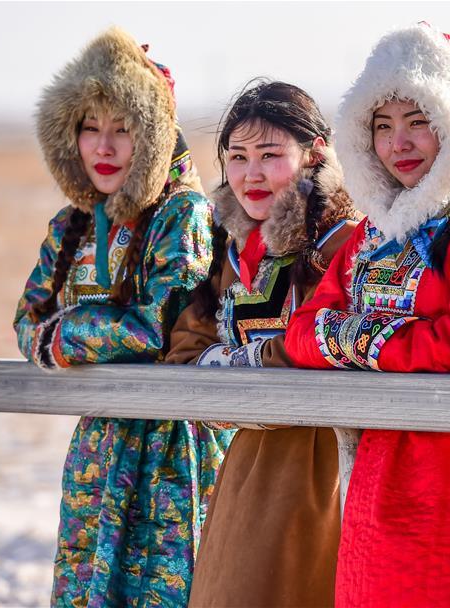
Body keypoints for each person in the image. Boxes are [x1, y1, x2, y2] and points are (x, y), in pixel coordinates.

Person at [285, 23, 450, 608]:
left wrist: (360, 341)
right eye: (382, 127)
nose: (399, 143)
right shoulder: (372, 234)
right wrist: (375, 341)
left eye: (418, 122)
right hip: (374, 467)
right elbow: (302, 331)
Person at [13, 27, 233, 606]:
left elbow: (155, 328)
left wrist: (63, 336)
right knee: (87, 590)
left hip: (170, 447)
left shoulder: (182, 214)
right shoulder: (71, 226)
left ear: (154, 137)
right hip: (98, 443)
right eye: (90, 128)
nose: (103, 148)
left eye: (123, 130)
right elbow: (27, 321)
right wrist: (54, 336)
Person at [165, 80, 359, 607]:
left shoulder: (343, 244)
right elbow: (185, 349)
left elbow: (315, 347)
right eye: (238, 156)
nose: (251, 173)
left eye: (271, 155)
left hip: (327, 469)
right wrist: (234, 371)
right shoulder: (228, 252)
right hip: (248, 469)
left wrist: (231, 367)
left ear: (315, 153)